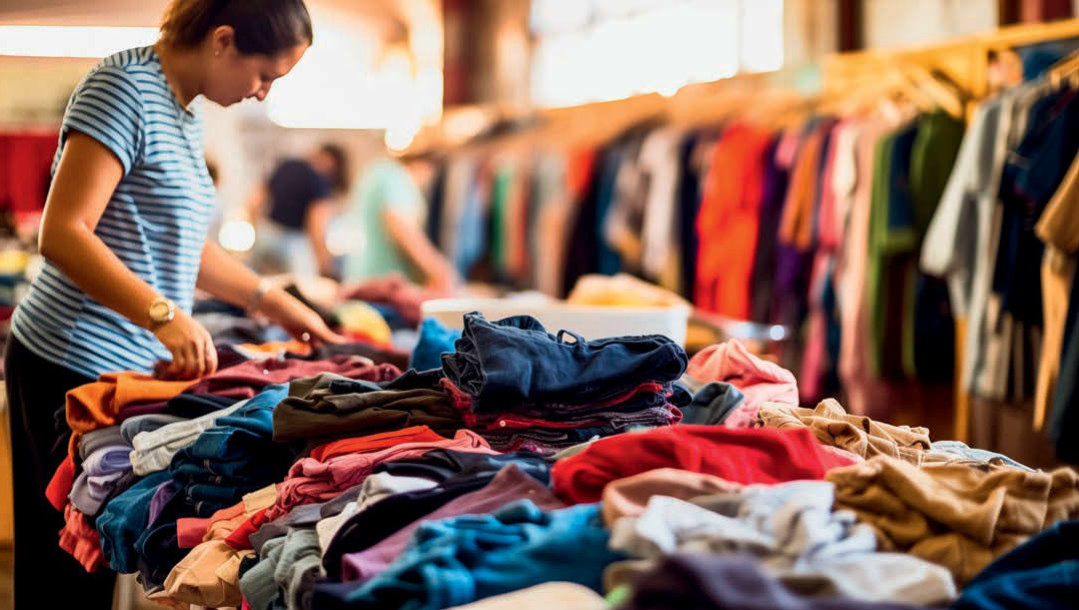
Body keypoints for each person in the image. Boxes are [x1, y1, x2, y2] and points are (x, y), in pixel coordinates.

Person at [2, 1, 343, 608]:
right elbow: (63, 232)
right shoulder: (123, 88)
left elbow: (182, 242)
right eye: (264, 74)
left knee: (91, 557)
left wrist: (271, 300)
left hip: (121, 368)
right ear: (223, 40)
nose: (263, 93)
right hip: (68, 359)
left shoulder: (183, 110)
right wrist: (164, 316)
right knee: (63, 573)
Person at [341, 154, 459, 292]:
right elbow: (402, 227)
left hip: (363, 279)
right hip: (383, 283)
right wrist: (440, 270)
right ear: (424, 166)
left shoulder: (375, 172)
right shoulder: (395, 178)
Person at [248, 143, 349, 277]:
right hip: (294, 243)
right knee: (304, 283)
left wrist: (255, 230)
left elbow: (254, 201)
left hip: (266, 234)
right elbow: (316, 227)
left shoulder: (286, 166)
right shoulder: (319, 181)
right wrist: (326, 269)